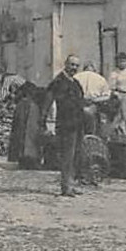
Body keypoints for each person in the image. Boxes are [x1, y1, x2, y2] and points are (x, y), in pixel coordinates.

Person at [44, 54, 86, 197]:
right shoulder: (58, 82)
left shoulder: (75, 83)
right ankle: (65, 186)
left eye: (76, 66)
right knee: (67, 155)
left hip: (77, 122)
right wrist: (47, 122)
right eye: (72, 65)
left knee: (75, 155)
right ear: (65, 64)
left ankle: (71, 184)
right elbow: (48, 102)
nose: (74, 68)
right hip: (66, 123)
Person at [8, 82, 46, 169]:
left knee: (25, 134)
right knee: (27, 134)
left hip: (28, 111)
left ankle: (25, 157)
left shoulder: (23, 104)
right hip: (30, 112)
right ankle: (28, 158)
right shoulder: (30, 105)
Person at [75, 61, 111, 134]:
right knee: (93, 124)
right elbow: (107, 96)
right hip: (93, 104)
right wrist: (95, 99)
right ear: (94, 69)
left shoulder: (76, 77)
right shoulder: (100, 78)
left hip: (78, 104)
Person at [108, 52, 126, 136]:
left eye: (124, 61)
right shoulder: (114, 73)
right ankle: (117, 132)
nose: (122, 63)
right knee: (119, 114)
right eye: (120, 61)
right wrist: (116, 94)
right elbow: (111, 87)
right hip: (119, 95)